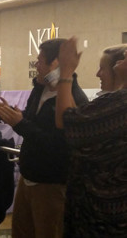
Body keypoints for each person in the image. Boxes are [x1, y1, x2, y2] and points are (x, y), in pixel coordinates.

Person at [0, 38, 88, 238]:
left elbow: (58, 144)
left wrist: (19, 123)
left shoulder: (74, 98)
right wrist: (15, 115)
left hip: (51, 184)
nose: (36, 66)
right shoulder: (39, 89)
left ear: (55, 64)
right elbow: (33, 123)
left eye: (40, 61)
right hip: (29, 177)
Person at [55, 38, 127, 237]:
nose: (98, 74)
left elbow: (66, 121)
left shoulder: (119, 105)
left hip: (102, 217)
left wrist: (66, 72)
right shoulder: (112, 103)